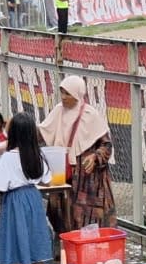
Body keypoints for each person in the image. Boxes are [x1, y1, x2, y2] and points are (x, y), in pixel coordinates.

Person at [0, 112, 53, 264]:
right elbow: (47, 179)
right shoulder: (38, 155)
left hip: (15, 202)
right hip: (34, 201)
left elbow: (0, 185)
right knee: (37, 251)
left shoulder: (8, 158)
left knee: (17, 251)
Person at [39, 75, 114, 231]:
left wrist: (95, 157)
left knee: (86, 222)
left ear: (77, 93)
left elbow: (106, 145)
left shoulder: (90, 115)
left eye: (68, 93)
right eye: (62, 93)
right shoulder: (59, 111)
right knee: (61, 218)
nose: (64, 98)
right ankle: (64, 252)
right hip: (62, 174)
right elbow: (43, 132)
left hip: (87, 180)